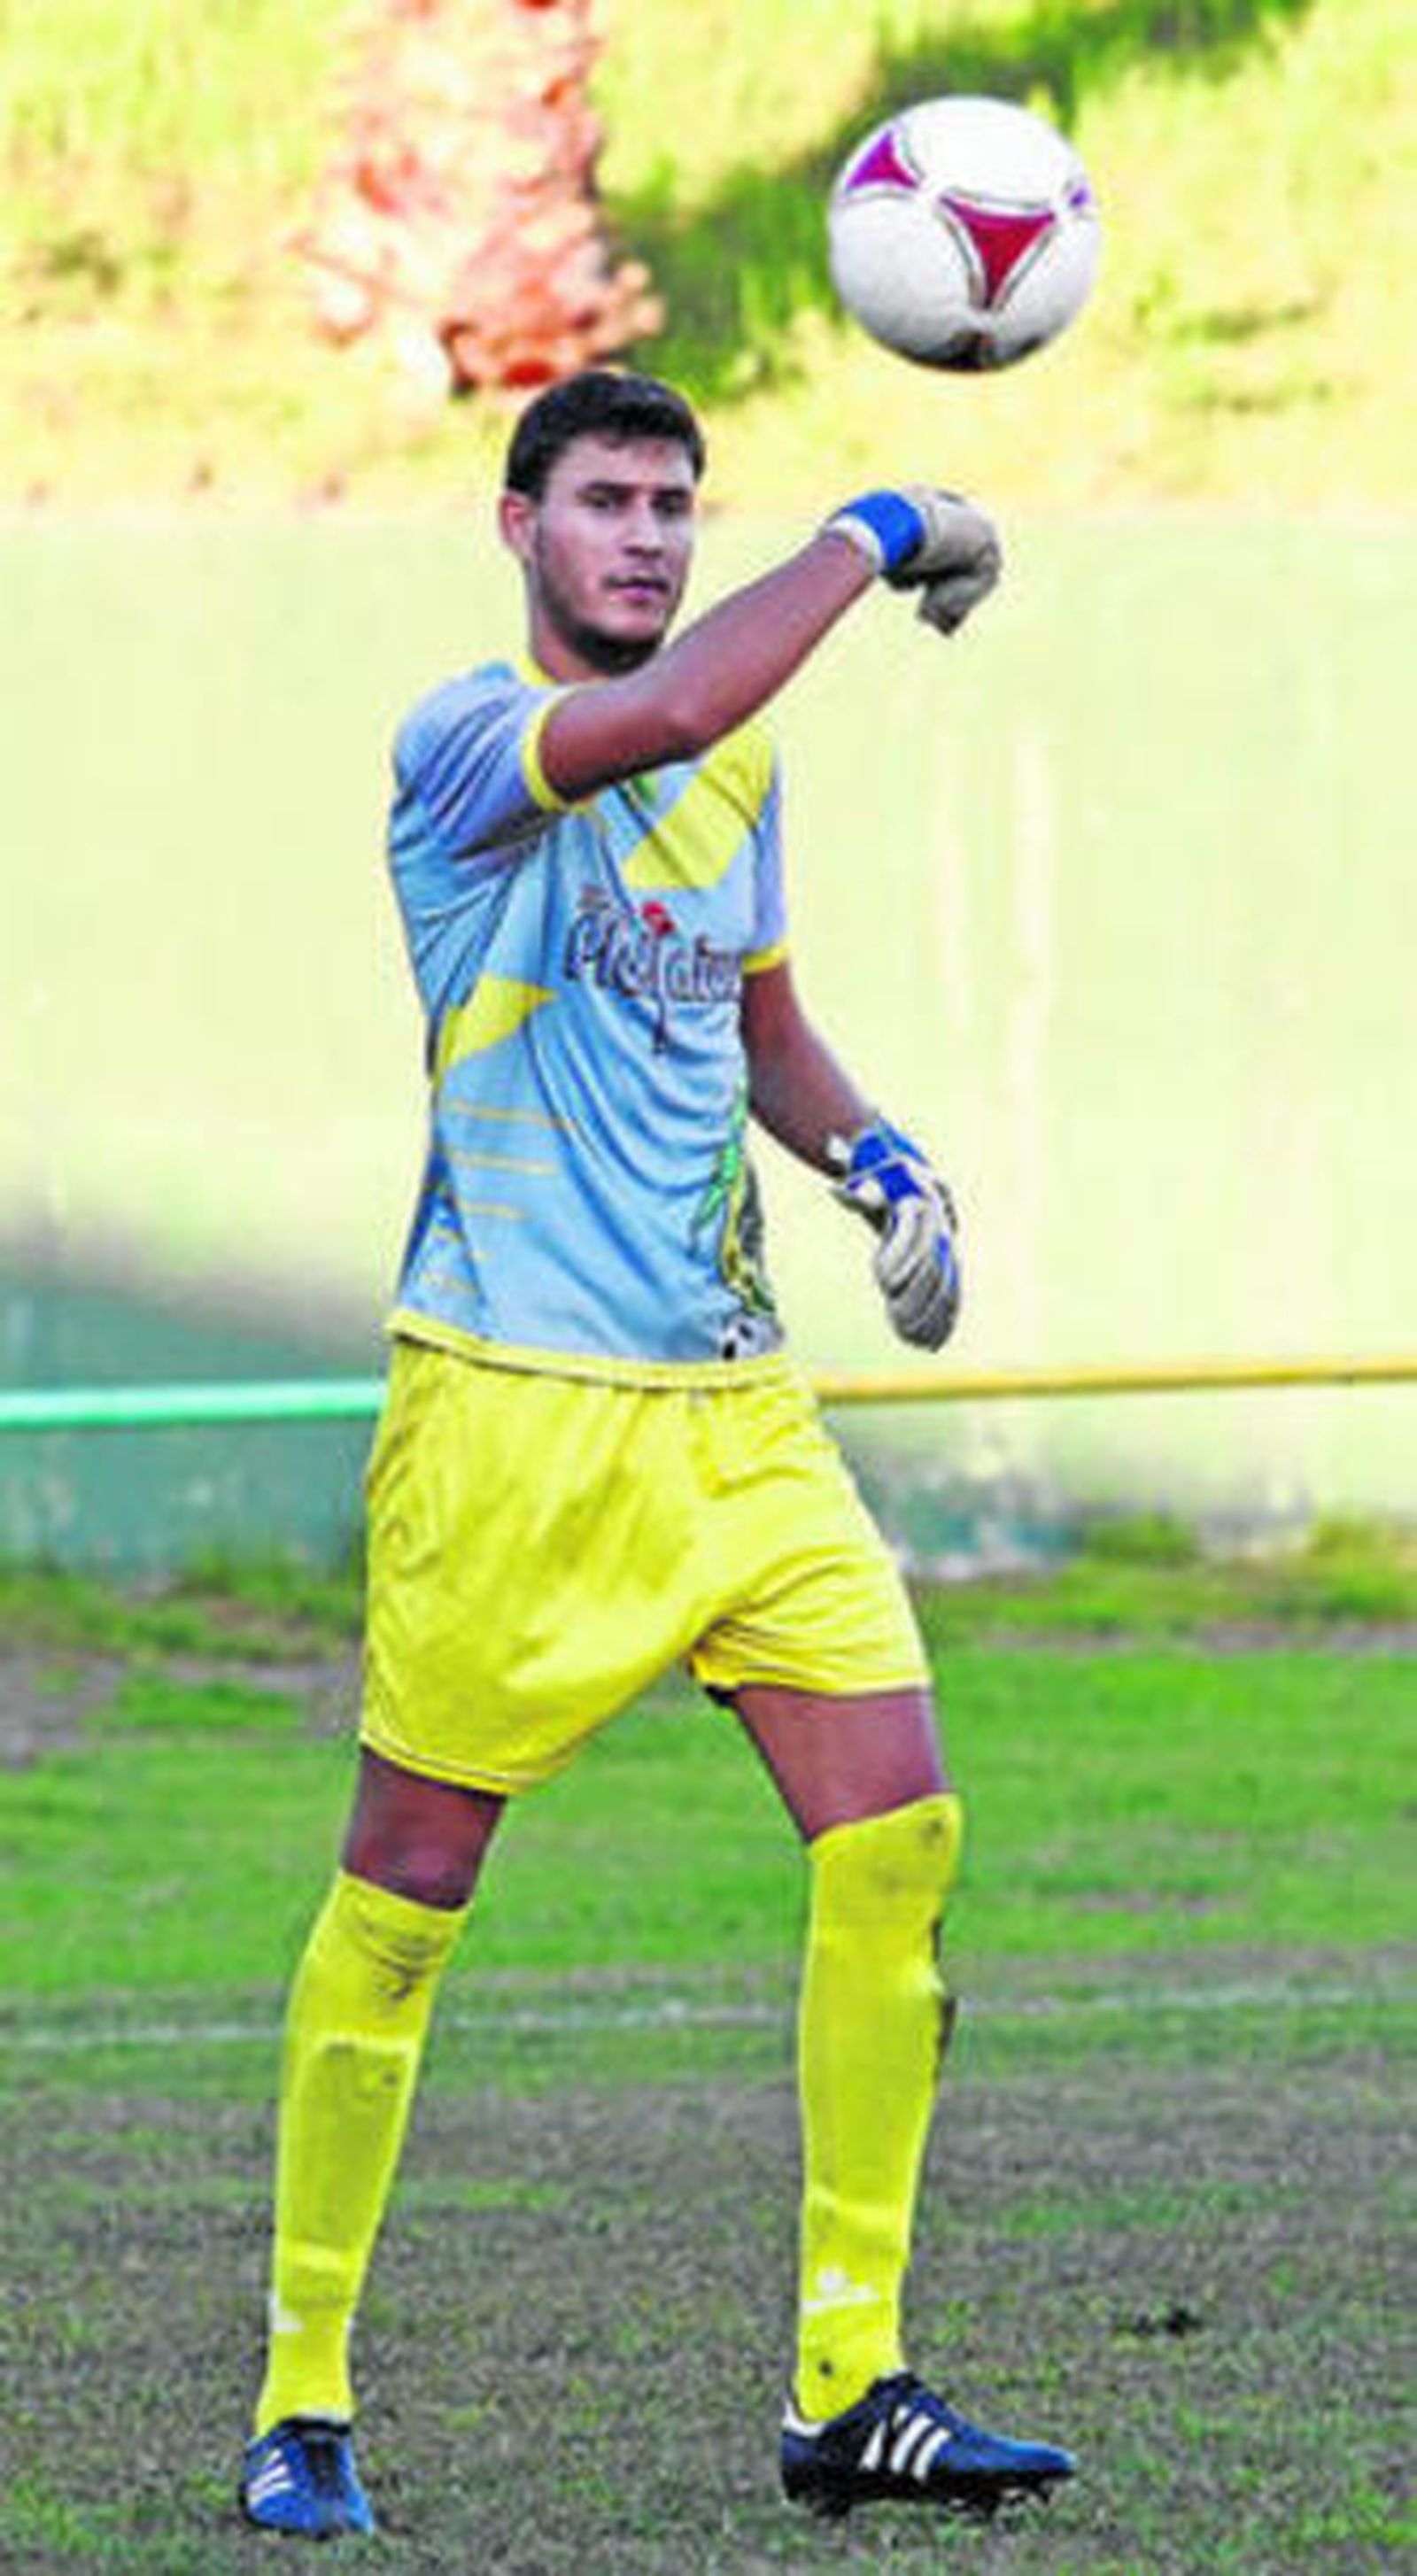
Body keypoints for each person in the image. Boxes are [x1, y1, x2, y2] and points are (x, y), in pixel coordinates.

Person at [238, 368, 1075, 2541]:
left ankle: (850, 2384)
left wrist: (884, 1166)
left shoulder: (741, 757)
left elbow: (758, 1023)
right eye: (606, 500)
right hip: (507, 1416)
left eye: (677, 505)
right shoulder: (459, 751)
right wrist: (875, 526)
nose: (645, 533)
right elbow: (661, 717)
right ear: (512, 526)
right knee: (405, 1893)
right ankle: (302, 2389)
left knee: (895, 1834)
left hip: (736, 1416)